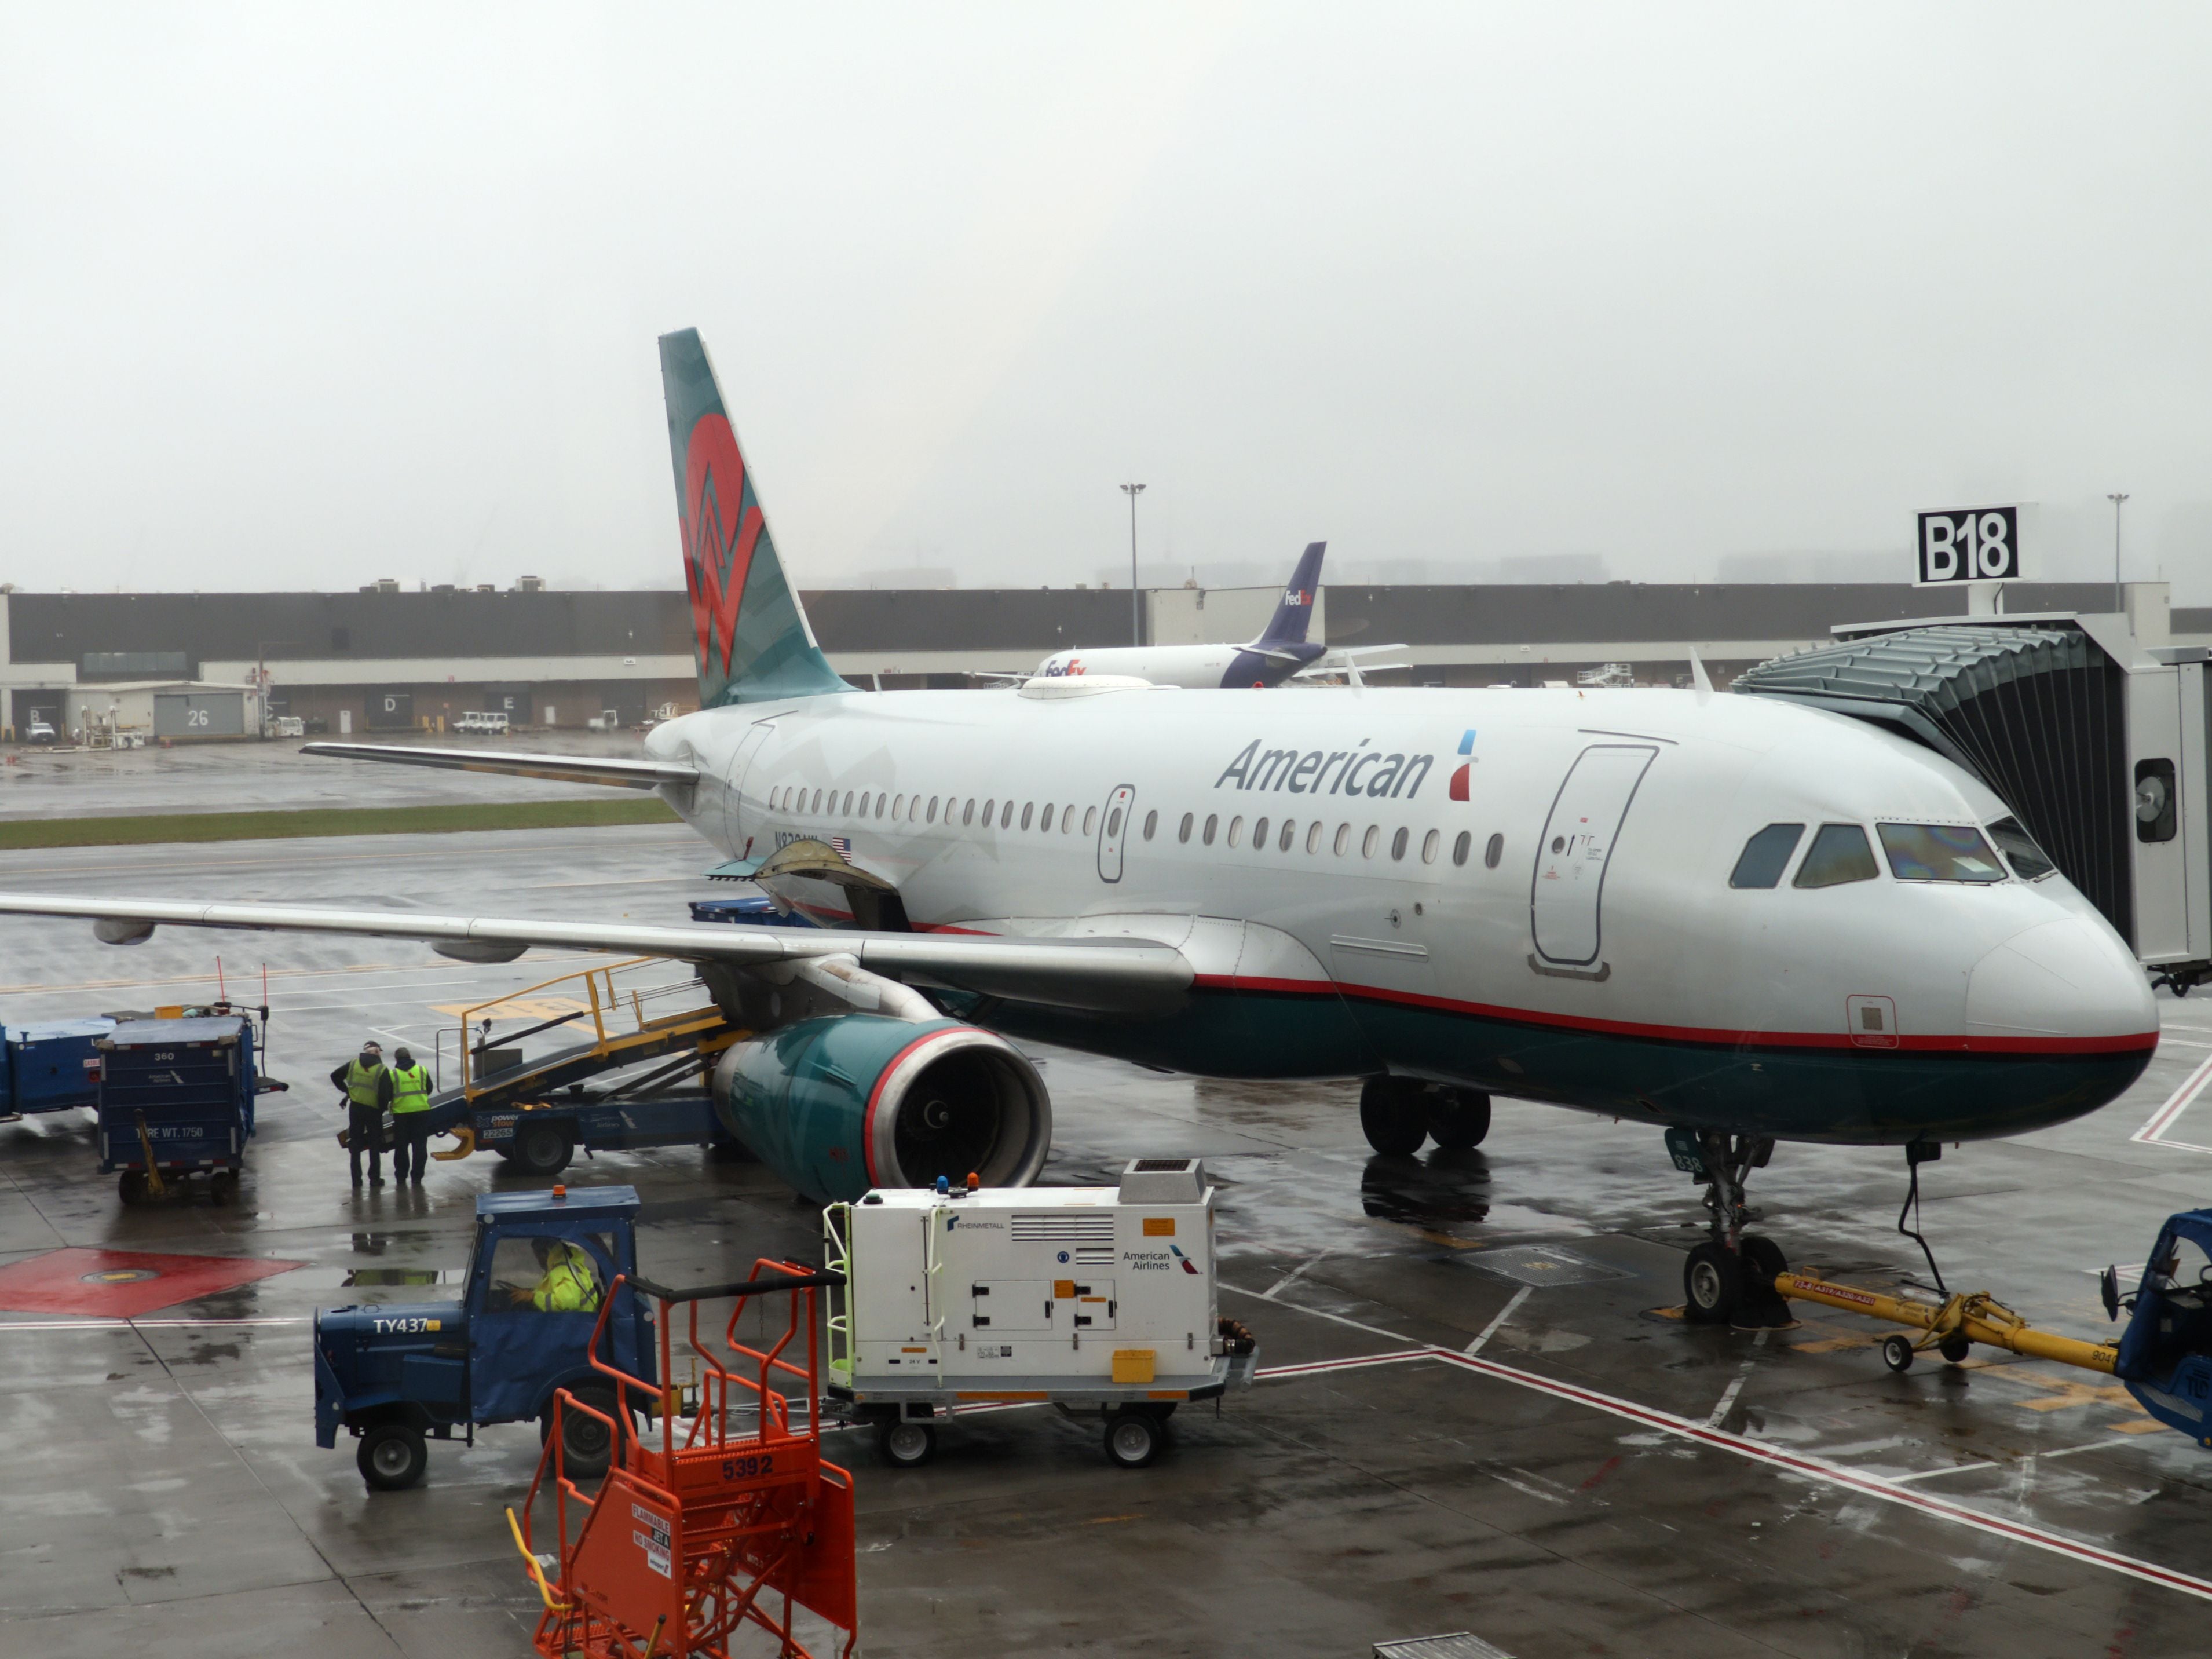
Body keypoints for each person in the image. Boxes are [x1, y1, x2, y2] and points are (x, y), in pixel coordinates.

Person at [331, 1042, 387, 1189]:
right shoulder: (382, 1070)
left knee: (355, 1145)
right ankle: (374, 1179)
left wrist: (348, 1092)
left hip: (356, 1109)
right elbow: (385, 1095)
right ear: (377, 1054)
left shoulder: (354, 1064)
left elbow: (335, 1076)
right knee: (375, 1145)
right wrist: (381, 1110)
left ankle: (356, 1180)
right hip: (373, 1111)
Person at [386, 1046, 434, 1185]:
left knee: (401, 1146)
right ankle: (417, 1176)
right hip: (421, 1112)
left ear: (396, 1059)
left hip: (401, 1115)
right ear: (410, 1056)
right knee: (420, 1145)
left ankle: (401, 1175)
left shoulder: (392, 1074)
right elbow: (429, 1089)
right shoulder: (422, 1070)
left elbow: (388, 1094)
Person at [518, 1236, 602, 1313]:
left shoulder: (563, 1270)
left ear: (545, 1253)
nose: (538, 1261)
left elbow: (567, 1301)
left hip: (576, 1326)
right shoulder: (565, 1266)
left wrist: (533, 1298)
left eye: (537, 1256)